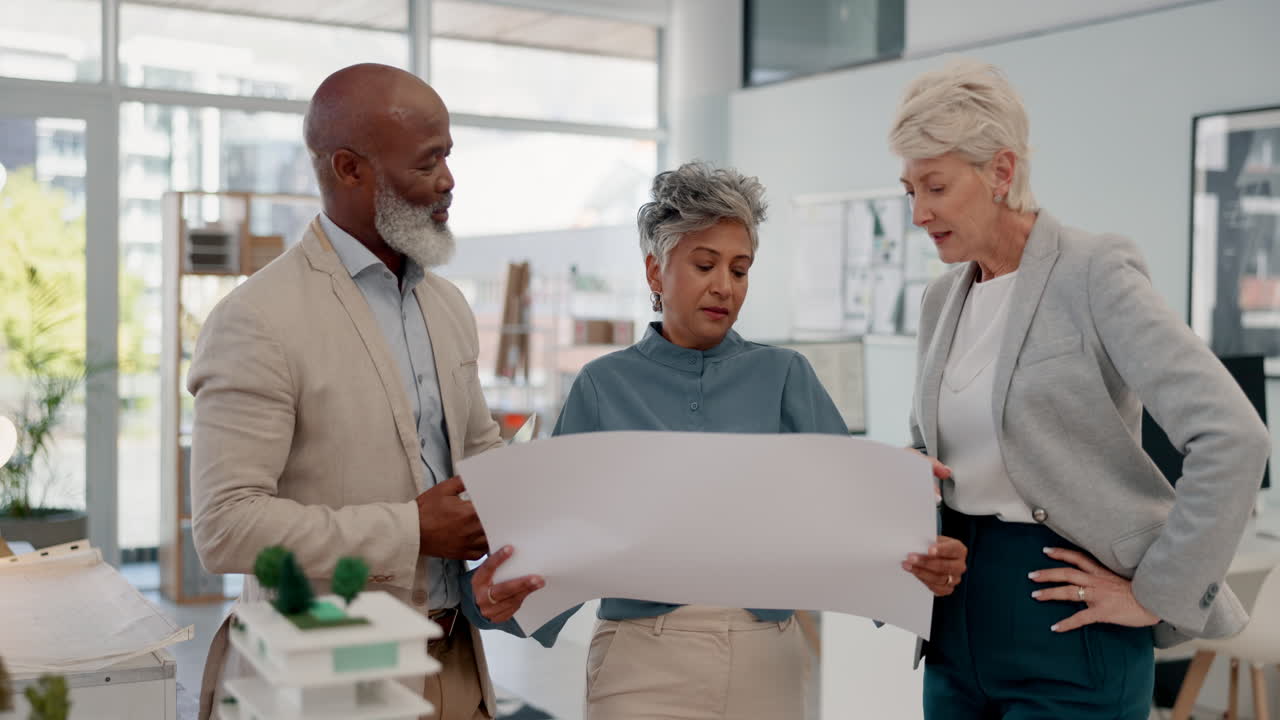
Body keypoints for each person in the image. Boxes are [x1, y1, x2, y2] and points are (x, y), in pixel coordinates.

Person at [460, 161, 969, 720]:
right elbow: (556, 547)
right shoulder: (602, 385)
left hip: (765, 656)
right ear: (656, 272)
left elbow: (854, 513)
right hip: (639, 659)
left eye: (740, 269)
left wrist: (912, 530)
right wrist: (489, 600)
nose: (725, 286)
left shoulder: (784, 376)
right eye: (705, 264)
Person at [890, 60, 1271, 719]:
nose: (919, 212)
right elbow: (931, 447)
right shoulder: (940, 298)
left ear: (1001, 172)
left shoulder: (1093, 271)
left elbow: (1234, 436)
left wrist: (1154, 595)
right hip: (954, 629)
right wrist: (910, 489)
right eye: (909, 190)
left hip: (1070, 629)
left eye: (936, 187)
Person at [189, 63, 506, 720]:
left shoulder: (446, 306)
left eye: (448, 156)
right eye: (426, 164)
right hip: (327, 680)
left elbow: (480, 456)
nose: (448, 181)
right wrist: (413, 528)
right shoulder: (258, 318)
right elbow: (226, 528)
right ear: (349, 169)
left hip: (455, 665)